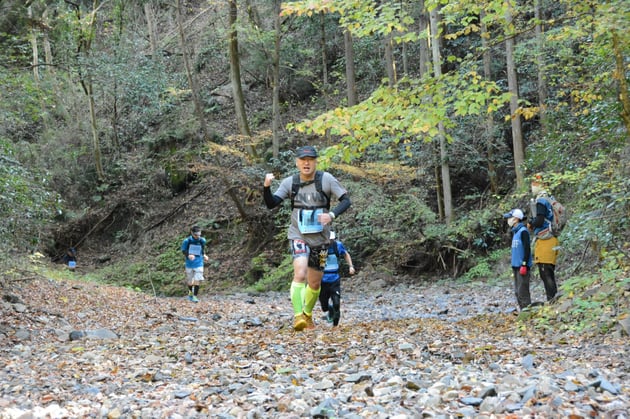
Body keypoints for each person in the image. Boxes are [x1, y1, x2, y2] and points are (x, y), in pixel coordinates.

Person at [264, 145, 352, 331]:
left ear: (315, 162)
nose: (306, 163)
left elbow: (346, 200)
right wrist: (266, 187)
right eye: (303, 160)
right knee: (300, 273)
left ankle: (308, 315)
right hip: (299, 236)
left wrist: (332, 215)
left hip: (321, 240)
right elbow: (272, 204)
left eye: (310, 159)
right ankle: (297, 317)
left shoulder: (326, 179)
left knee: (314, 283)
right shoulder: (290, 182)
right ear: (297, 162)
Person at [528, 175, 559, 302]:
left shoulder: (541, 201)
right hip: (552, 238)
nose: (532, 186)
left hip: (546, 240)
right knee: (549, 272)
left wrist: (531, 223)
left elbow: (540, 220)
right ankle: (553, 300)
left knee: (545, 272)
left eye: (535, 183)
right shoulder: (550, 198)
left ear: (541, 185)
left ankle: (552, 301)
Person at [317, 231, 355, 326]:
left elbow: (346, 254)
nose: (330, 241)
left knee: (336, 303)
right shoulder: (319, 247)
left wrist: (351, 266)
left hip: (335, 279)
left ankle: (335, 325)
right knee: (324, 306)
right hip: (322, 280)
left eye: (332, 239)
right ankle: (329, 311)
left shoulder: (337, 246)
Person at [503, 208, 533, 310]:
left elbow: (527, 249)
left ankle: (527, 312)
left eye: (510, 218)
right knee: (517, 291)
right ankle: (523, 312)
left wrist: (524, 264)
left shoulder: (523, 231)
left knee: (522, 291)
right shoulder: (515, 232)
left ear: (516, 219)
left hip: (522, 266)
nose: (508, 220)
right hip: (515, 266)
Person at [180, 225, 209, 303]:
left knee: (197, 279)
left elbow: (202, 249)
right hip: (189, 263)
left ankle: (195, 296)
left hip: (199, 263)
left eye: (199, 235)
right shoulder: (187, 241)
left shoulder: (202, 240)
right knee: (190, 281)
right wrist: (188, 255)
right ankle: (190, 293)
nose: (197, 237)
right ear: (192, 233)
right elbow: (183, 251)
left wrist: (204, 255)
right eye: (196, 235)